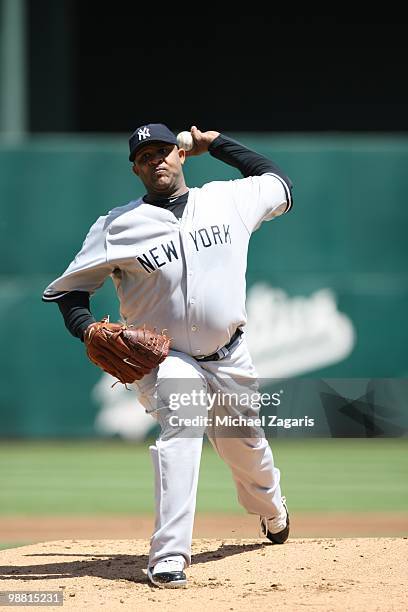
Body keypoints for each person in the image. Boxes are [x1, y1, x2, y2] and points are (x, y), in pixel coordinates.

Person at [42, 123, 293, 588]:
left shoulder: (227, 199)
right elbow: (69, 293)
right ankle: (170, 555)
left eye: (163, 150)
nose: (155, 160)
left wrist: (215, 143)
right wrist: (87, 329)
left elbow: (278, 180)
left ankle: (272, 509)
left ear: (180, 155)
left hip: (230, 355)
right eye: (144, 156)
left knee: (247, 450)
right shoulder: (116, 225)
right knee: (183, 423)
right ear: (135, 168)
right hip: (167, 359)